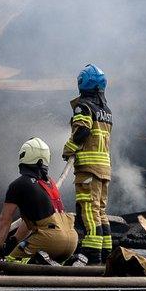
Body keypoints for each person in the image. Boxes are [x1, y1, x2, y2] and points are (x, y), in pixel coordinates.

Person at [0, 137, 77, 265]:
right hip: (71, 240)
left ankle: (37, 261)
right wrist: (15, 241)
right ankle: (65, 261)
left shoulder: (19, 184)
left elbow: (5, 219)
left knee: (9, 263)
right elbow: (32, 222)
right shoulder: (50, 183)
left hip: (50, 241)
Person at [61, 63, 113, 265]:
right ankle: (107, 254)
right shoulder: (105, 110)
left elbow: (82, 131)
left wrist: (69, 147)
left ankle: (92, 257)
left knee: (89, 211)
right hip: (103, 168)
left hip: (88, 169)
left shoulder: (84, 107)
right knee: (100, 211)